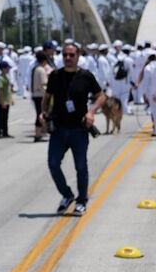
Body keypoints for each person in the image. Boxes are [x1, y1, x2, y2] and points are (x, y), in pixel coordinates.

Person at [44, 41, 107, 215]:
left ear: (78, 57)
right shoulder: (55, 76)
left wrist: (92, 112)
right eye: (65, 55)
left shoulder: (86, 76)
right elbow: (47, 96)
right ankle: (67, 194)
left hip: (79, 130)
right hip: (59, 130)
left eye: (71, 55)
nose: (68, 58)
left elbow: (101, 96)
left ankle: (81, 201)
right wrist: (43, 114)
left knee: (81, 167)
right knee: (53, 164)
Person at [30, 46, 53, 141]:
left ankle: (40, 132)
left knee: (39, 114)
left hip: (36, 94)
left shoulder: (36, 69)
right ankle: (38, 133)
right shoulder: (41, 70)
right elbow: (43, 83)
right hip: (40, 95)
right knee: (41, 114)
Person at [0, 54, 15, 138]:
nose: (8, 69)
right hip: (2, 101)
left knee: (5, 117)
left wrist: (11, 99)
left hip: (6, 100)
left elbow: (8, 90)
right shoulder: (1, 78)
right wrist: (2, 102)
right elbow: (0, 91)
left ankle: (5, 132)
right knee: (1, 118)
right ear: (3, 69)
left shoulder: (6, 77)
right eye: (7, 68)